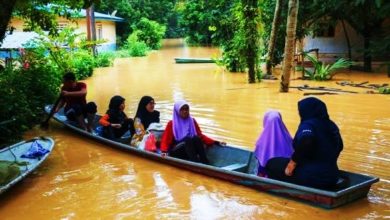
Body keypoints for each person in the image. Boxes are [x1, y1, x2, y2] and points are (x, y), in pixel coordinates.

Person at [265, 97, 343, 189]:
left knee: (271, 164)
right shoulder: (332, 125)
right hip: (333, 176)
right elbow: (340, 146)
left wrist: (292, 163)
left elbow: (306, 140)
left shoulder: (308, 124)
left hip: (313, 176)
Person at [160, 100, 225, 164]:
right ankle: (195, 162)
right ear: (177, 111)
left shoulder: (192, 121)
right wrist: (164, 151)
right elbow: (165, 140)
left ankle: (204, 161)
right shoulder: (172, 124)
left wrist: (216, 142)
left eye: (186, 109)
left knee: (196, 138)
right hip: (177, 152)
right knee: (188, 139)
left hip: (189, 150)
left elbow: (200, 136)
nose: (185, 111)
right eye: (182, 109)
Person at [254, 110, 293, 177]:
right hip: (286, 175)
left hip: (268, 175)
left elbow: (260, 166)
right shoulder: (289, 139)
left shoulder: (260, 142)